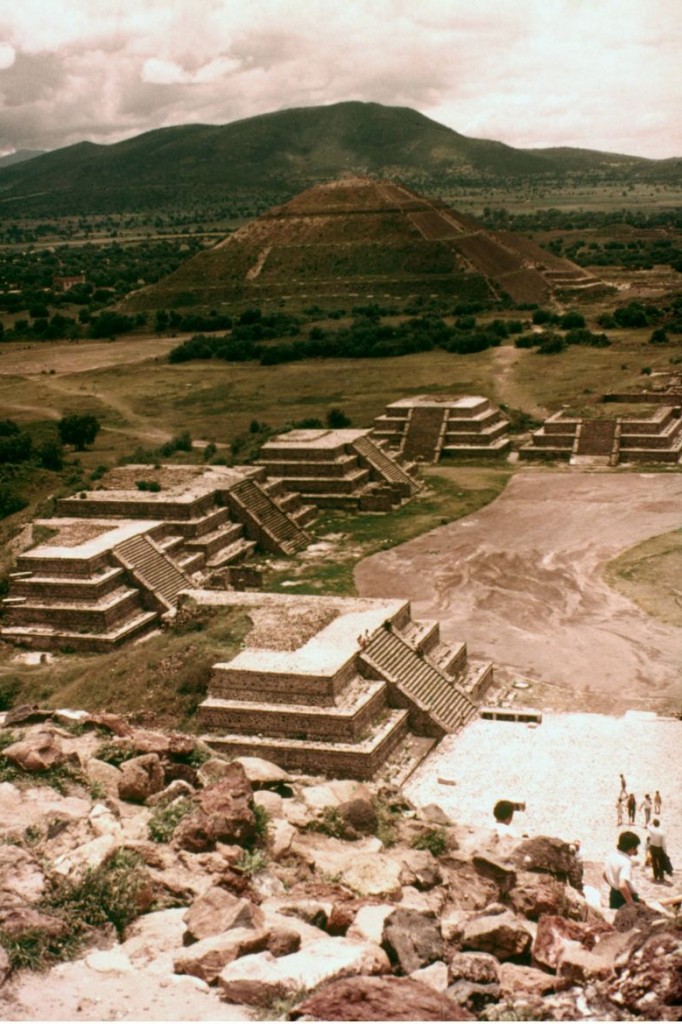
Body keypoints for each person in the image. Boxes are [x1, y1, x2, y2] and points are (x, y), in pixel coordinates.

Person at [604, 831, 642, 909]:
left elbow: (604, 875)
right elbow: (622, 885)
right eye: (635, 848)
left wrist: (614, 884)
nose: (635, 851)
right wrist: (631, 904)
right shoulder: (626, 862)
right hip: (625, 898)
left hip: (614, 895)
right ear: (631, 848)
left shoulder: (611, 856)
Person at [647, 818, 668, 883]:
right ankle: (661, 876)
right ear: (659, 824)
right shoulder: (662, 832)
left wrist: (651, 822)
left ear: (654, 824)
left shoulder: (652, 830)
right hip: (659, 848)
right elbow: (663, 843)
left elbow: (647, 825)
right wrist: (665, 851)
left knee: (654, 862)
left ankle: (655, 875)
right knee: (660, 862)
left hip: (652, 847)